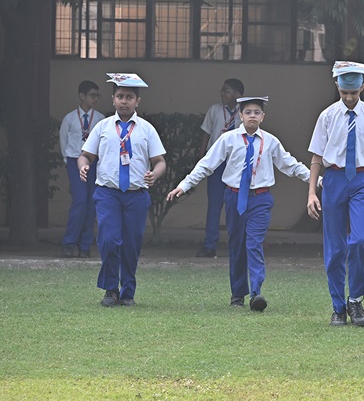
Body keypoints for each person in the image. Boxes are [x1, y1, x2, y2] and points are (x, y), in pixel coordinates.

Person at [168, 96, 311, 311]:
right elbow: (207, 164)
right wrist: (184, 185)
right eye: (248, 112)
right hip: (234, 196)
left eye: (257, 112)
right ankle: (237, 294)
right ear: (241, 116)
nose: (252, 116)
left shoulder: (270, 141)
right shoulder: (228, 139)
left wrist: (316, 180)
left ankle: (256, 293)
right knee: (237, 245)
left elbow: (291, 165)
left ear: (263, 117)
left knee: (254, 243)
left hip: (260, 198)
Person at [307, 61, 364, 327]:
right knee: (335, 248)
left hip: (363, 179)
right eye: (344, 93)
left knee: (359, 241)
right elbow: (316, 156)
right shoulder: (327, 116)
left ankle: (355, 299)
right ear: (337, 87)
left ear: (362, 88)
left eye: (353, 93)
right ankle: (338, 307)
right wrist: (311, 193)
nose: (348, 98)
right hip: (334, 180)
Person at [78, 73, 167, 308]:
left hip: (136, 195)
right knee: (109, 240)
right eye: (120, 97)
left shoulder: (146, 129)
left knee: (131, 244)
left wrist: (155, 174)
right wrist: (83, 166)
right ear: (113, 99)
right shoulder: (103, 127)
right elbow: (85, 155)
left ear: (138, 101)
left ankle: (128, 292)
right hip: (108, 193)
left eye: (129, 97)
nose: (124, 101)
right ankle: (110, 289)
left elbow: (160, 161)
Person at [195, 78, 244, 257]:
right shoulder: (215, 110)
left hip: (235, 164)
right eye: (222, 91)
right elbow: (206, 135)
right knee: (214, 205)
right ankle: (210, 245)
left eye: (227, 91)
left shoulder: (244, 113)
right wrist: (202, 159)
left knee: (237, 205)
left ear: (237, 94)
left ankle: (238, 244)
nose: (222, 94)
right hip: (216, 163)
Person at [59, 80, 105, 258]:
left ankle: (85, 245)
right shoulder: (70, 118)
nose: (95, 99)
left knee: (92, 202)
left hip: (93, 162)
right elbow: (63, 140)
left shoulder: (100, 119)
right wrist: (67, 160)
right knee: (80, 201)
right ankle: (69, 243)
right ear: (82, 96)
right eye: (92, 95)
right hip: (74, 161)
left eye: (97, 95)